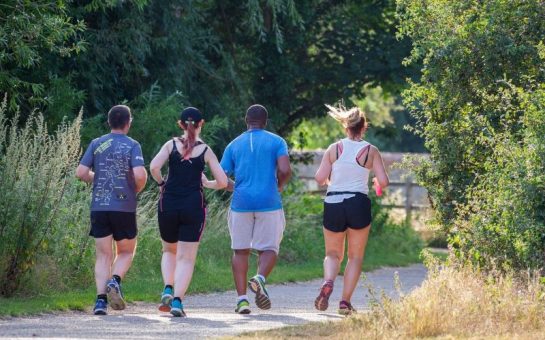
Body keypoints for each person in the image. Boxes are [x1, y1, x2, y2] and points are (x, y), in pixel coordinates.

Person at [203, 104, 291, 314]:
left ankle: (242, 300)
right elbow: (285, 169)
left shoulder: (234, 145)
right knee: (269, 248)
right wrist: (278, 185)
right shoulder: (277, 141)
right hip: (269, 202)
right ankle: (259, 278)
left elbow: (222, 179)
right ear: (265, 121)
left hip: (241, 203)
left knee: (240, 250)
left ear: (246, 121)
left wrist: (238, 188)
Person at [150, 107, 227, 317]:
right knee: (186, 258)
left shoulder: (170, 145)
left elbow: (154, 167)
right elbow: (222, 182)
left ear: (181, 124)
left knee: (169, 251)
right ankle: (177, 302)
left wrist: (161, 183)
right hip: (193, 206)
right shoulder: (206, 150)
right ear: (201, 123)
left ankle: (167, 287)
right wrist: (207, 183)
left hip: (168, 204)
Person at [314, 104, 389, 315]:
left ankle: (328, 281)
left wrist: (332, 180)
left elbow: (320, 178)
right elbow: (383, 181)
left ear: (346, 127)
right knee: (355, 257)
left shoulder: (333, 148)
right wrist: (375, 179)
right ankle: (344, 302)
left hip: (334, 202)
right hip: (358, 202)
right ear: (364, 127)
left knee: (332, 253)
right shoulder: (371, 150)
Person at [76, 105, 148, 315]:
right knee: (126, 251)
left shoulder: (96, 143)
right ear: (129, 122)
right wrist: (135, 189)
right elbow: (141, 175)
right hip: (124, 207)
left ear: (109, 122)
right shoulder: (133, 145)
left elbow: (80, 172)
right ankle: (115, 281)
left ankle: (100, 302)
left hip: (99, 206)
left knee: (103, 256)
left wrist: (96, 179)